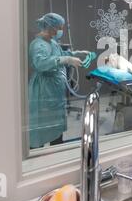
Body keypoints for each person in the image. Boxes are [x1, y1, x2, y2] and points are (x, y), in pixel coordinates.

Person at [28, 13, 91, 149]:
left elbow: (60, 55)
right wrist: (66, 60)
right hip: (43, 89)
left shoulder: (52, 43)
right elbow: (40, 63)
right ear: (51, 27)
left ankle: (57, 147)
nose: (61, 31)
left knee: (56, 125)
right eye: (60, 28)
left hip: (55, 88)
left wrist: (77, 54)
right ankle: (36, 153)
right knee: (42, 123)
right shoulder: (38, 44)